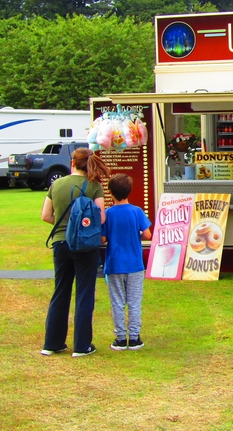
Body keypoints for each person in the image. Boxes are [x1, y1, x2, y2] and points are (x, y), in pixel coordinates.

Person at [40, 147, 109, 357]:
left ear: (72, 162)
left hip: (61, 243)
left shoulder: (57, 184)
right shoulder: (94, 186)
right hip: (86, 246)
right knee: (84, 292)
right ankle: (81, 345)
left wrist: (67, 226)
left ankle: (52, 343)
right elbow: (101, 218)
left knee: (60, 291)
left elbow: (46, 215)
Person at [101, 174, 152, 351]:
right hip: (135, 265)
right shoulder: (137, 211)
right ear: (129, 191)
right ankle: (135, 337)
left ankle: (121, 338)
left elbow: (102, 238)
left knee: (117, 301)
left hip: (115, 264)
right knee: (134, 301)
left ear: (111, 193)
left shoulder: (107, 214)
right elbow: (147, 235)